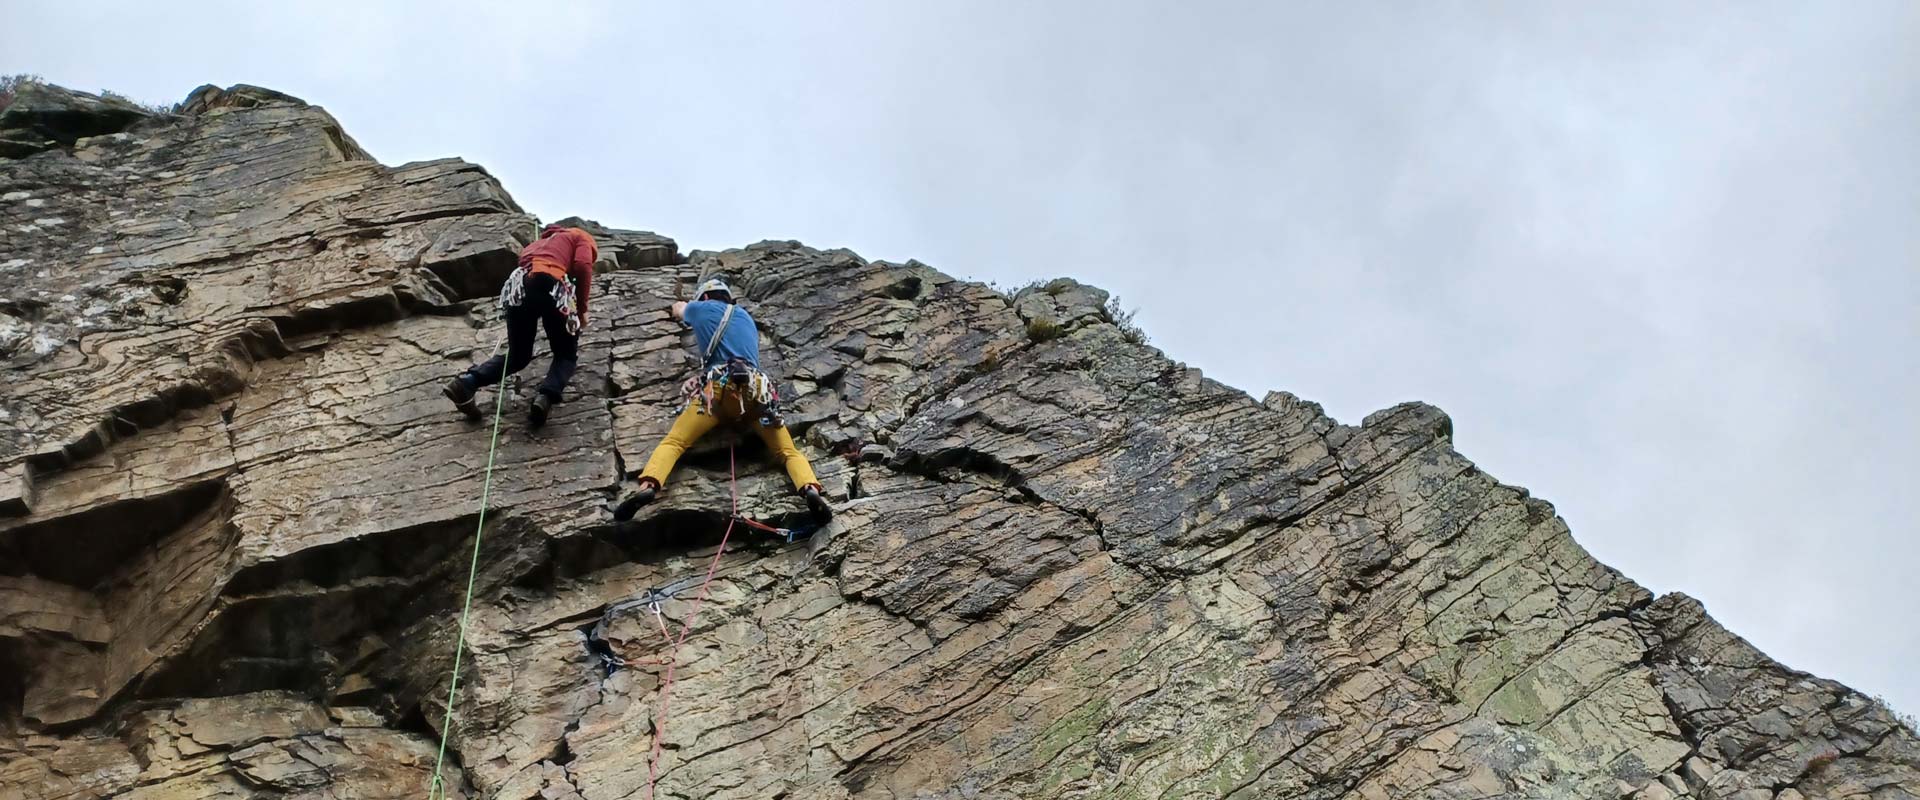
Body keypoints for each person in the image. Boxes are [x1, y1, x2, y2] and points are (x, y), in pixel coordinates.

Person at [612, 278, 831, 524]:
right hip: (757, 393)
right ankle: (810, 489)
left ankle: (649, 486)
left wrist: (679, 305)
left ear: (705, 297)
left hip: (718, 390)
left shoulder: (700, 308)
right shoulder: (746, 318)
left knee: (675, 442)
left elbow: (679, 309)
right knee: (788, 451)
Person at [444, 223, 597, 427]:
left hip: (519, 287)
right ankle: (545, 397)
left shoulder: (538, 243)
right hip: (551, 283)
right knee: (565, 354)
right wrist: (581, 310)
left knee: (519, 356)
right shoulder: (580, 236)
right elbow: (582, 266)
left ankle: (467, 383)